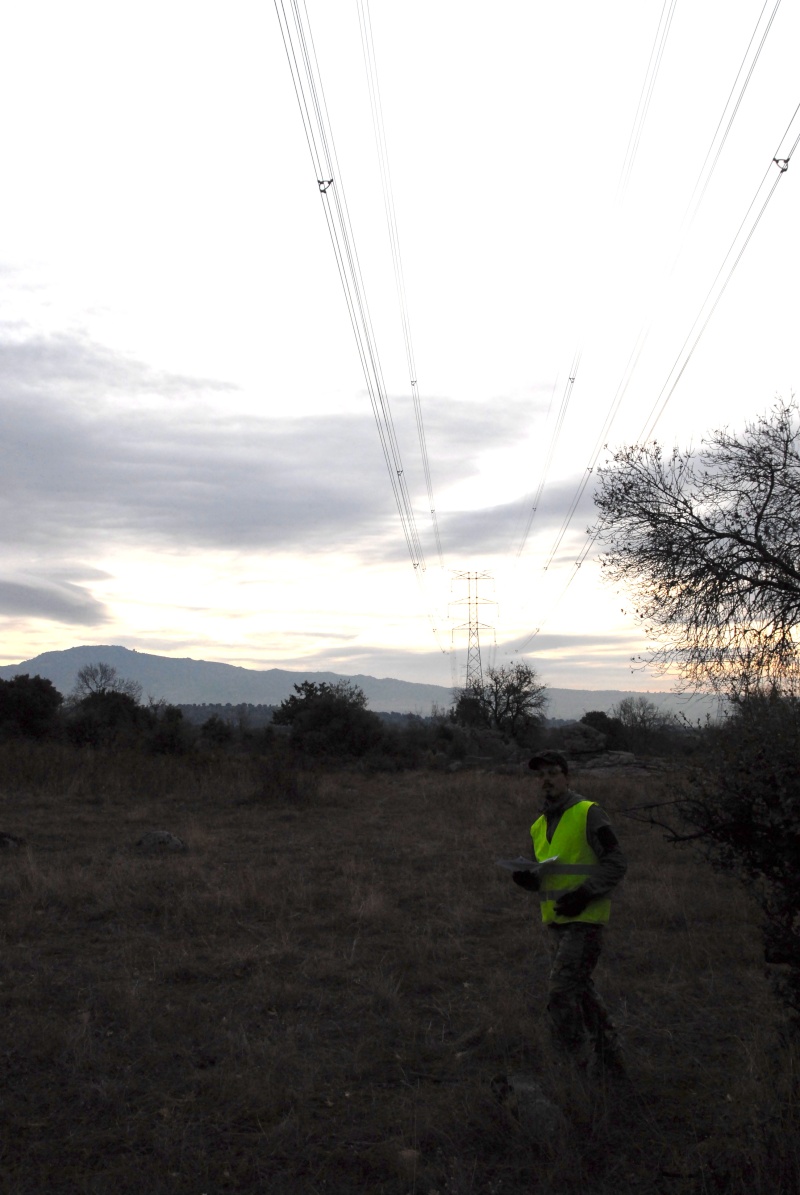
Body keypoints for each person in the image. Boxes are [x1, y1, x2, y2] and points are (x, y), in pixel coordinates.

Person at [512, 750, 627, 1071]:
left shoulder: (589, 812)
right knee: (581, 990)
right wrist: (529, 879)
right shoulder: (538, 826)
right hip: (556, 923)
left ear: (567, 776)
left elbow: (617, 862)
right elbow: (553, 874)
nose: (546, 779)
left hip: (585, 920)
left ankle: (577, 1063)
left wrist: (585, 895)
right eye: (541, 775)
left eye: (553, 772)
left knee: (561, 993)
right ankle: (611, 1058)